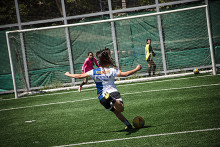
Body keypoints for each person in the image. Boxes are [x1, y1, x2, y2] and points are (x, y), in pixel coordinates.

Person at [65, 48, 142, 130]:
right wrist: (137, 69)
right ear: (108, 61)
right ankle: (113, 100)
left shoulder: (94, 71)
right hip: (112, 92)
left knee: (116, 111)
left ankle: (128, 125)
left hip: (102, 97)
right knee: (121, 108)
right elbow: (126, 74)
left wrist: (68, 74)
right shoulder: (112, 70)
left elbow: (79, 76)